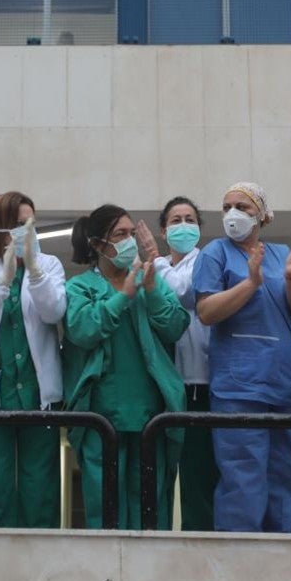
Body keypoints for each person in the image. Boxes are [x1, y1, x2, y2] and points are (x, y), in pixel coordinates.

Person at [193, 183, 291, 533]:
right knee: (243, 479)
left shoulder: (280, 255)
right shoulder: (215, 253)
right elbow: (206, 311)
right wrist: (250, 283)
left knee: (288, 479)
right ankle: (238, 565)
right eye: (227, 206)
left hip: (285, 384)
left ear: (261, 215)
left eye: (243, 207)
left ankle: (281, 559)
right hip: (239, 388)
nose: (233, 214)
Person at [63, 204, 189, 529]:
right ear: (96, 244)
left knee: (150, 506)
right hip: (102, 415)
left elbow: (175, 326)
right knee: (106, 508)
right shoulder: (80, 287)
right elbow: (83, 330)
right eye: (120, 234)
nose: (129, 241)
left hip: (150, 415)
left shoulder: (149, 281)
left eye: (132, 234)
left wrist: (149, 287)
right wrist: (123, 296)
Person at [0, 192, 66, 528]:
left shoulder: (49, 265)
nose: (26, 231)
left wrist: (33, 271)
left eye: (31, 224)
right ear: (1, 226)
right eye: (20, 224)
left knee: (40, 491)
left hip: (39, 397)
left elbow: (54, 312)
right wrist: (2, 282)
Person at [134, 196, 217, 530]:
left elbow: (182, 292)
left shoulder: (208, 260)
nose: (184, 226)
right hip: (164, 387)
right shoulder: (156, 267)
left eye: (189, 219)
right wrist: (155, 263)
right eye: (175, 220)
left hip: (202, 385)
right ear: (163, 230)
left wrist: (154, 260)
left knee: (200, 479)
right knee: (159, 478)